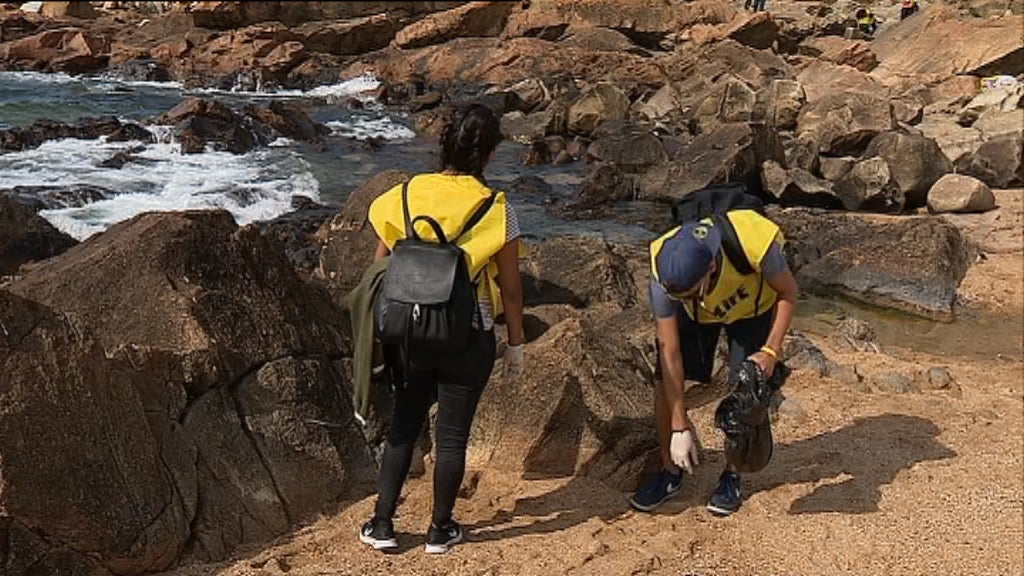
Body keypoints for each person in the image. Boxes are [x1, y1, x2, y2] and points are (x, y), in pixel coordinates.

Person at [359, 104, 525, 554]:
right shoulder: (497, 208)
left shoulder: (407, 194)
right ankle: (439, 530)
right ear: (488, 155)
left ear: (444, 146)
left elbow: (381, 267)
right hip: (467, 334)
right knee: (453, 435)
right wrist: (516, 345)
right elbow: (510, 290)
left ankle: (381, 524)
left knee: (403, 424)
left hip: (409, 331)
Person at [629, 208, 799, 516]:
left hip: (752, 308)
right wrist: (680, 427)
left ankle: (732, 475)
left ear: (710, 266)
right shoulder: (663, 274)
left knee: (746, 388)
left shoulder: (753, 244)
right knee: (662, 382)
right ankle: (670, 472)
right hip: (699, 317)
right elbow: (670, 353)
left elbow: (789, 292)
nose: (682, 299)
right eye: (677, 296)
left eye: (691, 293)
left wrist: (771, 351)